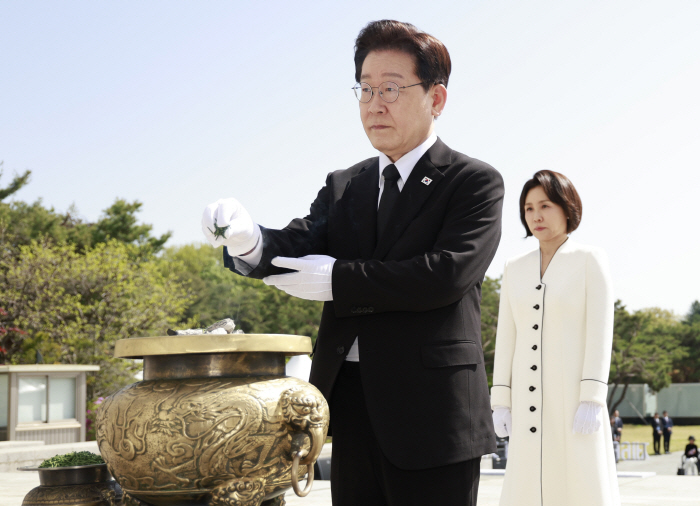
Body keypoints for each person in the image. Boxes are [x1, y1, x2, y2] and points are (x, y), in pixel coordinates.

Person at [201, 20, 504, 506]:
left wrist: (339, 280)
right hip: (351, 402)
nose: (374, 104)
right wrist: (249, 240)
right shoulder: (346, 184)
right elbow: (300, 242)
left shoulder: (472, 181)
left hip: (433, 411)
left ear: (436, 98)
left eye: (391, 88)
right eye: (365, 89)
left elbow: (446, 274)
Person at [490, 170, 620, 506]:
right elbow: (507, 336)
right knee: (526, 482)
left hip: (575, 397)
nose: (536, 216)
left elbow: (601, 330)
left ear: (567, 207)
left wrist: (592, 396)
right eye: (529, 208)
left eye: (545, 206)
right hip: (526, 398)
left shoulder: (589, 259)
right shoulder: (514, 266)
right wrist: (501, 400)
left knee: (581, 480)